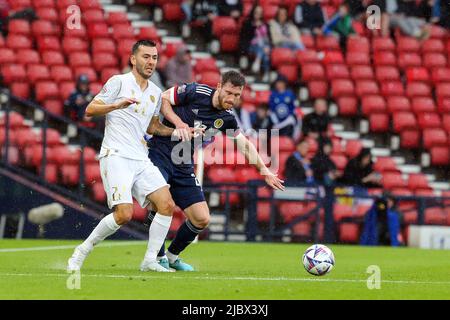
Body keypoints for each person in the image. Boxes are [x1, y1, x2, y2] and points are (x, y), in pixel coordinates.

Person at [67, 40, 198, 273]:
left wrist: (179, 131)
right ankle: (82, 251)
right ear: (133, 59)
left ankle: (149, 261)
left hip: (140, 157)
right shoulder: (118, 82)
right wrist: (116, 105)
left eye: (155, 57)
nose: (151, 62)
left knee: (166, 204)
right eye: (146, 57)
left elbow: (151, 127)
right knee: (124, 214)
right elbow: (89, 110)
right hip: (116, 155)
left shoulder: (156, 93)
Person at [145, 70, 285, 271]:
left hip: (183, 161)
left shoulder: (227, 118)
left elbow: (244, 145)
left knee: (202, 218)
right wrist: (179, 124)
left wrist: (264, 171)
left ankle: (172, 256)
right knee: (160, 203)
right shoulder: (196, 92)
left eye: (237, 95)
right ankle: (156, 258)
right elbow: (164, 98)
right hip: (159, 152)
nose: (232, 99)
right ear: (219, 87)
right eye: (229, 92)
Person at [239, 4, 272, 80]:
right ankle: (265, 71)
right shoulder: (247, 23)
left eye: (260, 13)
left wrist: (267, 46)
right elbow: (244, 38)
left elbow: (269, 39)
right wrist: (255, 27)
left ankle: (258, 61)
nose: (258, 15)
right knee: (260, 46)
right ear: (253, 13)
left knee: (266, 54)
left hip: (264, 46)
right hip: (252, 46)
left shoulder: (265, 25)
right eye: (256, 13)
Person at [268, 75, 300, 139]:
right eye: (277, 83)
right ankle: (271, 147)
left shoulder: (290, 94)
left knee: (287, 137)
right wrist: (276, 121)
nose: (278, 84)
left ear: (284, 83)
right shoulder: (273, 94)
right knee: (273, 140)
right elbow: (271, 110)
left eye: (280, 82)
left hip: (287, 121)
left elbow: (293, 109)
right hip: (276, 121)